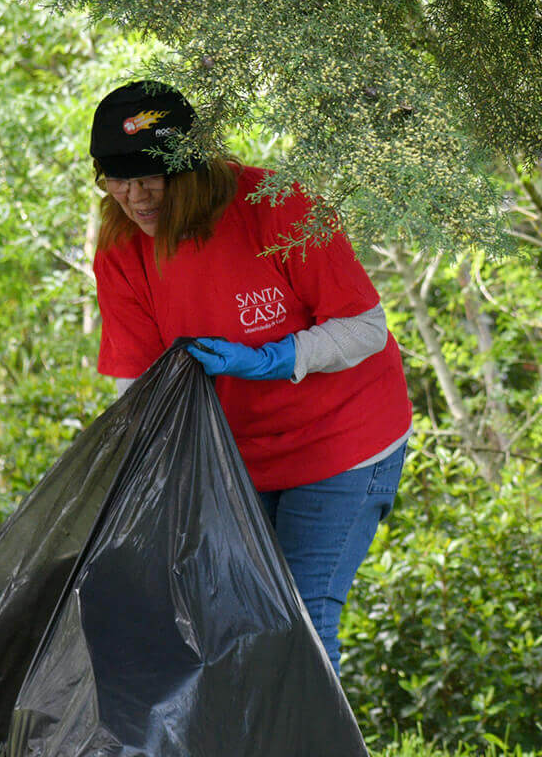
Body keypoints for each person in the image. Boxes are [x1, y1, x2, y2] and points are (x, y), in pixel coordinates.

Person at [89, 80, 411, 675]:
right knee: (237, 621)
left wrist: (274, 357)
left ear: (194, 168)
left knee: (302, 618)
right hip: (238, 459)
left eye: (151, 178)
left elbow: (365, 328)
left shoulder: (275, 205)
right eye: (117, 179)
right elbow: (136, 388)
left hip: (344, 441)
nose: (136, 197)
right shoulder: (121, 253)